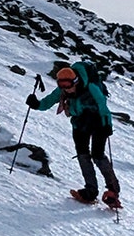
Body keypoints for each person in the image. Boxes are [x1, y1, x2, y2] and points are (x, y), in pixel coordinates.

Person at [27, 63, 121, 208]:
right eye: (62, 85)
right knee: (83, 155)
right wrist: (36, 104)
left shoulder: (91, 87)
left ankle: (113, 191)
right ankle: (90, 191)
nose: (66, 89)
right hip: (79, 123)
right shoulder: (63, 90)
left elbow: (103, 105)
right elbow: (48, 102)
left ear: (76, 81)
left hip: (98, 123)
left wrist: (107, 124)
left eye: (68, 85)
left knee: (98, 155)